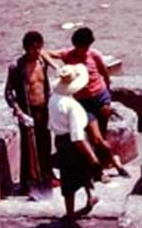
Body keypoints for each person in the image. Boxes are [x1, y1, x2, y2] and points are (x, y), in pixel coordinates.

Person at [43, 26, 129, 179]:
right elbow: (45, 52)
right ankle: (112, 164)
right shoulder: (67, 55)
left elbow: (104, 73)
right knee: (97, 138)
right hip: (84, 103)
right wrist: (56, 66)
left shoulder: (94, 55)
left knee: (102, 134)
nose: (83, 50)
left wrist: (108, 94)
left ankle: (106, 162)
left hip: (100, 97)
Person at [4, 30, 54, 200]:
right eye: (34, 49)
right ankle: (28, 184)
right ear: (27, 49)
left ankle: (47, 178)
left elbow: (45, 86)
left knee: (45, 145)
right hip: (27, 111)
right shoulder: (17, 67)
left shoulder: (43, 62)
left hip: (43, 111)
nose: (37, 52)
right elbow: (8, 93)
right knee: (29, 150)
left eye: (39, 48)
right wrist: (19, 113)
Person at [48, 64, 100, 226]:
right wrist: (92, 157)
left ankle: (74, 209)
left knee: (68, 177)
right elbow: (77, 137)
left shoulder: (54, 99)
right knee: (80, 172)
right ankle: (72, 215)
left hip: (60, 141)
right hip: (73, 144)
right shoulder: (73, 107)